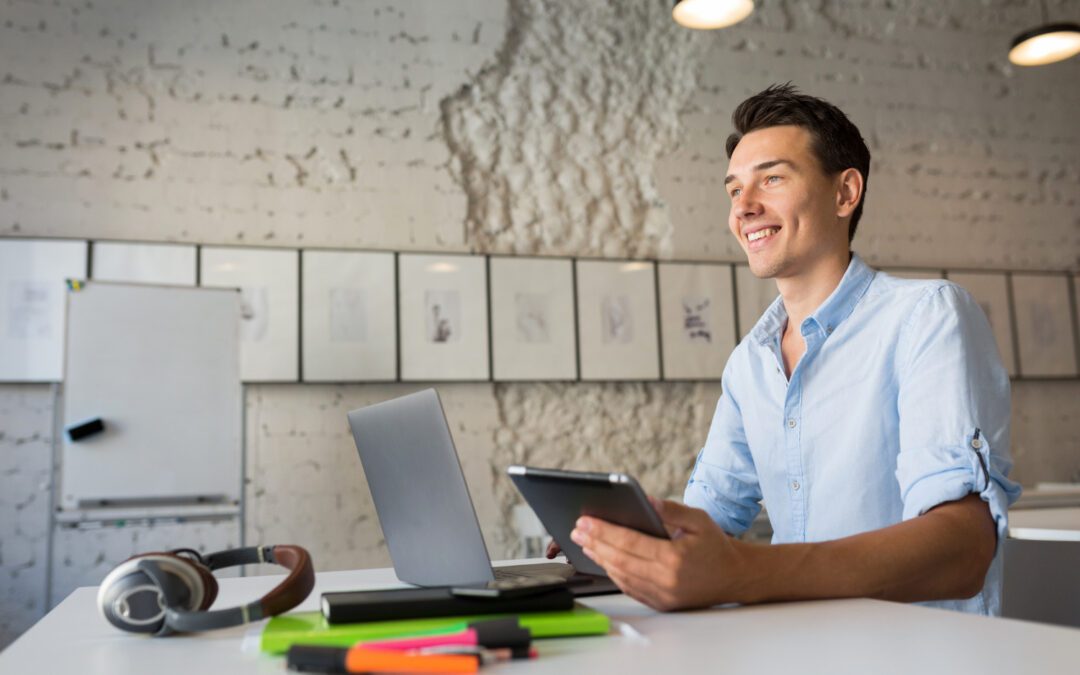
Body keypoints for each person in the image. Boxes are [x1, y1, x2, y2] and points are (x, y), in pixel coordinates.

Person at [555, 83, 1021, 615]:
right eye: (734, 191)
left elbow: (961, 552)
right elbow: (713, 515)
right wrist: (621, 545)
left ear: (846, 193)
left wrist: (743, 571)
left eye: (771, 179)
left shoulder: (927, 316)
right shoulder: (749, 362)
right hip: (790, 652)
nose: (744, 208)